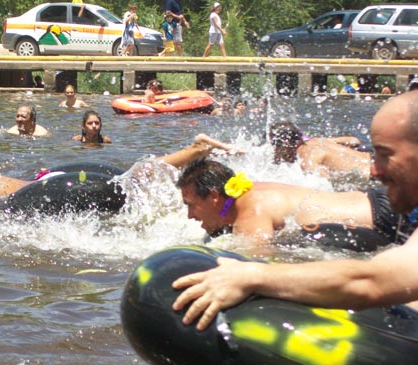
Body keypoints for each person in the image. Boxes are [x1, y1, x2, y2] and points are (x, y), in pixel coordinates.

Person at [171, 89, 418, 332]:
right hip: (377, 208)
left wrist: (251, 275)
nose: (374, 171)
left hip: (380, 215)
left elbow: (372, 282)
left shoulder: (250, 210)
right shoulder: (252, 192)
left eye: (386, 154)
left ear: (214, 197)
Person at [0, 135, 234, 212]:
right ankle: (195, 151)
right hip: (55, 181)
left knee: (124, 187)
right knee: (128, 178)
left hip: (56, 190)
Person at [176, 158, 375, 242]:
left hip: (380, 219)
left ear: (213, 196)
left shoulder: (250, 212)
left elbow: (258, 266)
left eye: (191, 205)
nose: (189, 215)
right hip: (370, 201)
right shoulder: (248, 191)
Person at [269, 121, 371, 179]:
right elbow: (355, 141)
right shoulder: (317, 141)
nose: (273, 150)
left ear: (286, 145)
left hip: (374, 176)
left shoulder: (306, 159)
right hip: (375, 160)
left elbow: (325, 186)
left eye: (273, 144)